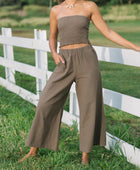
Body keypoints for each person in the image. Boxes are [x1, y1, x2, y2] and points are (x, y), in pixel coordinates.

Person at [18, 0, 140, 165]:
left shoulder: (89, 6)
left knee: (89, 106)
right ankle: (34, 150)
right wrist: (54, 53)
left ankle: (85, 156)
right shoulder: (56, 10)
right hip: (64, 61)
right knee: (45, 103)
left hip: (87, 60)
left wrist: (135, 47)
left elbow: (108, 31)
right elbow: (53, 36)